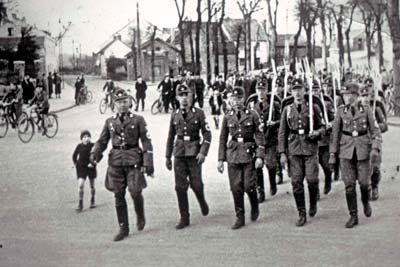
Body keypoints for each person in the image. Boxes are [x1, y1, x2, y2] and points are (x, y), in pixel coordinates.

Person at [90, 88, 154, 241]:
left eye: (125, 101)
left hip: (134, 161)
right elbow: (102, 141)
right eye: (119, 102)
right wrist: (94, 154)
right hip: (116, 162)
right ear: (114, 104)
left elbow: (146, 142)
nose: (122, 105)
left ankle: (140, 214)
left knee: (135, 191)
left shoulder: (138, 120)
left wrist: (148, 162)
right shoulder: (110, 122)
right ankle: (123, 227)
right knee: (118, 195)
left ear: (130, 102)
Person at [329, 83, 381, 228]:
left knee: (364, 183)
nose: (346, 98)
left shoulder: (366, 110)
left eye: (348, 95)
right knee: (349, 186)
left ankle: (365, 201)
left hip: (363, 150)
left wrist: (375, 149)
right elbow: (335, 134)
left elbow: (375, 131)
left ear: (356, 96)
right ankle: (353, 215)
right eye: (344, 95)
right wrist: (333, 154)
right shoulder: (340, 111)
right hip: (345, 152)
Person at [278, 78, 325, 227]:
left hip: (310, 148)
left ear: (305, 90)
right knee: (296, 182)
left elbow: (323, 127)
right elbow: (282, 133)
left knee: (312, 179)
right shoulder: (287, 110)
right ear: (291, 92)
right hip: (294, 150)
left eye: (300, 89)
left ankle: (312, 203)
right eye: (294, 90)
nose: (297, 93)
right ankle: (301, 212)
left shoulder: (313, 107)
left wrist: (316, 133)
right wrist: (282, 153)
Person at [165, 84, 212, 229]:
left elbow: (207, 134)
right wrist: (167, 156)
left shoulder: (199, 113)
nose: (184, 99)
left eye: (187, 95)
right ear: (177, 98)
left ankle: (202, 201)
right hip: (179, 153)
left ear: (192, 97)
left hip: (194, 153)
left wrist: (203, 152)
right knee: (180, 187)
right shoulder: (175, 114)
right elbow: (171, 136)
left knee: (196, 184)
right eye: (181, 95)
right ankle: (184, 217)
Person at [218, 86, 265, 230]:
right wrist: (221, 159)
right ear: (230, 100)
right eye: (233, 98)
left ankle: (254, 204)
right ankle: (240, 216)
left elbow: (259, 136)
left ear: (243, 99)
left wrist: (259, 156)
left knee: (248, 186)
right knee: (235, 187)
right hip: (232, 154)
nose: (236, 101)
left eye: (239, 98)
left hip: (248, 154)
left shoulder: (252, 115)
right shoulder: (227, 116)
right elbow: (223, 138)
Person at [253, 79, 281, 203]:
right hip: (258, 142)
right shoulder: (252, 106)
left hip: (270, 139)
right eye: (259, 90)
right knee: (258, 166)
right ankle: (261, 191)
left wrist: (274, 123)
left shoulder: (274, 105)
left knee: (271, 164)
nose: (261, 93)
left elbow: (282, 121)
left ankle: (272, 182)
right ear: (256, 91)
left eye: (263, 90)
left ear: (267, 91)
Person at [359, 85, 388, 201]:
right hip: (362, 142)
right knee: (364, 167)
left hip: (375, 140)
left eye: (367, 95)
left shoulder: (376, 108)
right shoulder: (357, 110)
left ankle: (375, 186)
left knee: (375, 166)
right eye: (363, 96)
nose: (365, 98)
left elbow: (385, 126)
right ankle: (367, 186)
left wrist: (375, 125)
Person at [311, 80, 335, 195]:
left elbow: (335, 119)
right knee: (313, 169)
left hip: (325, 139)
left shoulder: (326, 103)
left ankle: (328, 178)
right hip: (313, 141)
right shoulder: (308, 104)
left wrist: (330, 123)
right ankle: (315, 191)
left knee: (326, 164)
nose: (314, 92)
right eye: (312, 90)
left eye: (316, 90)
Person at [72, 130, 97, 212]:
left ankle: (92, 200)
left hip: (90, 168)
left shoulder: (93, 146)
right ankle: (80, 203)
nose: (86, 139)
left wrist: (94, 163)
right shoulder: (79, 146)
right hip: (81, 167)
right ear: (81, 139)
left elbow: (99, 155)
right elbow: (74, 155)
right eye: (84, 137)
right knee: (80, 185)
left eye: (88, 137)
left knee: (92, 185)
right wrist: (75, 163)